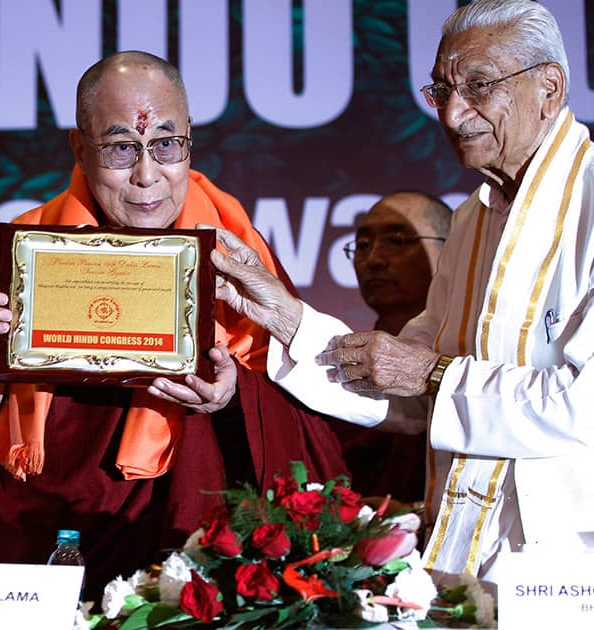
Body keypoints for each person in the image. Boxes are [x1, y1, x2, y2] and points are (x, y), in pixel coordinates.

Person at [209, 0, 590, 593]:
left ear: (550, 86)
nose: (454, 113)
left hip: (567, 567)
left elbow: (580, 409)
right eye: (441, 90)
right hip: (462, 553)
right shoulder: (471, 218)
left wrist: (433, 372)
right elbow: (409, 398)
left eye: (479, 86)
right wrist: (285, 316)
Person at [0, 51, 347, 598]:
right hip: (45, 545)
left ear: (189, 142)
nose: (146, 174)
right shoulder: (31, 248)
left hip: (188, 545)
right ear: (78, 148)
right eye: (119, 147)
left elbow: (300, 421)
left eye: (166, 144)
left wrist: (233, 396)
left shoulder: (233, 247)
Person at [332, 192, 451, 503]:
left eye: (397, 240)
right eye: (362, 246)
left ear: (452, 252)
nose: (374, 260)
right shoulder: (341, 375)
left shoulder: (467, 365)